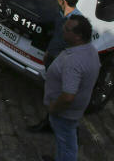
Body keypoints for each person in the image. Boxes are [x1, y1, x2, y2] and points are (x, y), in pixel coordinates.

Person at [42, 15, 100, 161]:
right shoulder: (90, 50)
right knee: (65, 141)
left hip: (64, 113)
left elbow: (68, 96)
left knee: (67, 144)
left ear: (78, 36)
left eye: (67, 29)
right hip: (73, 111)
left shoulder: (74, 61)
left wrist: (54, 107)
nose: (63, 30)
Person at [28, 0, 81, 133]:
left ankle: (58, 125)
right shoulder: (61, 15)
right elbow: (57, 37)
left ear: (63, 0)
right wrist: (48, 53)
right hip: (53, 59)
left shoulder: (76, 23)